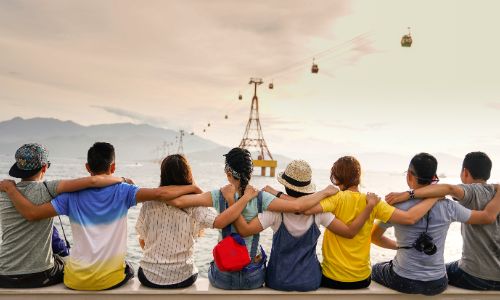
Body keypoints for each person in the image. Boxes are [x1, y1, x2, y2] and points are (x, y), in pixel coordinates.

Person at [0, 142, 202, 291]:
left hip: (74, 281)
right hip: (111, 281)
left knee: (62, 258)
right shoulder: (124, 191)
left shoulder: (69, 196)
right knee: (128, 268)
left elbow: (33, 213)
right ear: (113, 167)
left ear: (87, 167)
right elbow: (160, 194)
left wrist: (10, 188)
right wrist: (194, 188)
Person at [165, 148, 338, 290]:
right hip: (252, 276)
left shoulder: (218, 195)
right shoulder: (262, 198)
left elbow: (178, 201)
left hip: (223, 277)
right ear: (250, 172)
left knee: (214, 262)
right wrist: (324, 192)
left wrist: (193, 188)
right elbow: (298, 206)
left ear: (228, 173)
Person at [285, 156, 440, 289]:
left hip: (332, 278)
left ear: (336, 178)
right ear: (358, 177)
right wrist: (434, 197)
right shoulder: (373, 201)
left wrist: (321, 193)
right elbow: (409, 218)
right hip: (361, 280)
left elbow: (303, 209)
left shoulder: (335, 199)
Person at [227, 159, 381, 291]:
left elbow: (245, 231)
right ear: (307, 187)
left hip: (277, 280)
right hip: (310, 281)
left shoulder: (275, 211)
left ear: (286, 186)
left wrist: (234, 202)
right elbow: (349, 232)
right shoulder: (320, 212)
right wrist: (369, 207)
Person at [371, 153, 500, 295]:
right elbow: (484, 217)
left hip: (405, 281)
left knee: (376, 268)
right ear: (434, 178)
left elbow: (374, 237)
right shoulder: (449, 206)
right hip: (437, 283)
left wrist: (400, 246)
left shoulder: (395, 206)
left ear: (409, 176)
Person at [0, 143, 126, 288]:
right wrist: (122, 180)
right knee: (66, 262)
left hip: (4, 274)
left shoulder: (4, 193)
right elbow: (93, 181)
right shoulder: (47, 189)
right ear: (44, 167)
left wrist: (9, 188)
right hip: (38, 276)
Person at [135, 154, 259, 289]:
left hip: (149, 276)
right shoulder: (194, 205)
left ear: (163, 175)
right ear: (188, 175)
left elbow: (143, 241)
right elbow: (220, 222)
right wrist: (244, 198)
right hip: (183, 277)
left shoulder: (149, 204)